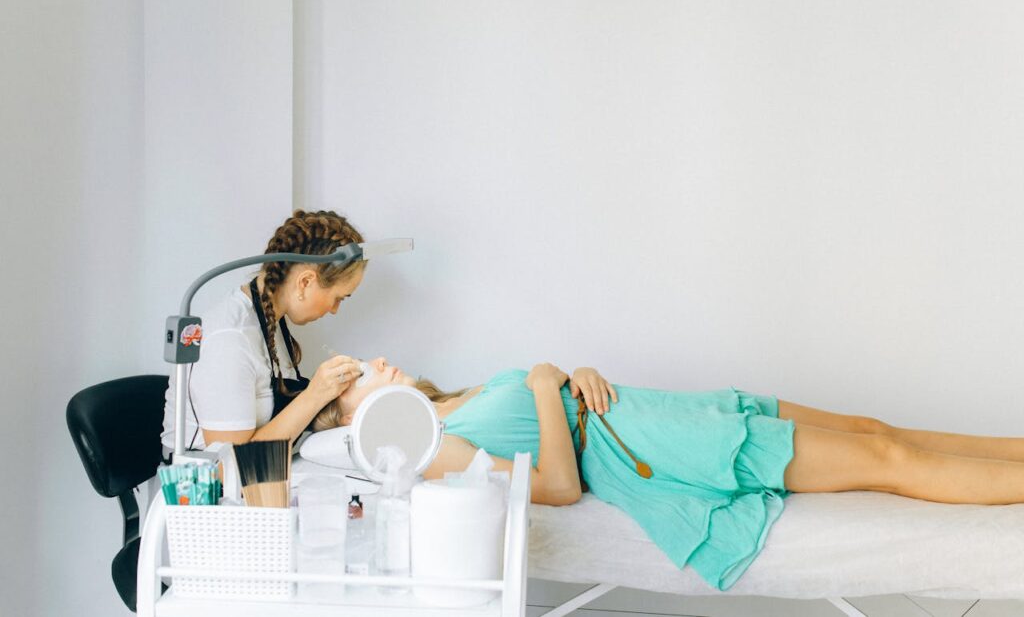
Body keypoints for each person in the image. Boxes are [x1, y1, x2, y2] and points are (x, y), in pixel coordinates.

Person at [314, 357, 1024, 590]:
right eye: (358, 376)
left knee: (876, 431)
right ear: (355, 420)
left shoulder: (450, 401)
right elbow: (559, 485)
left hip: (662, 413)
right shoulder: (435, 448)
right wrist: (541, 383)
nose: (380, 365)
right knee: (886, 463)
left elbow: (558, 395)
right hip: (666, 448)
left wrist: (573, 373)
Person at [160, 209, 367, 452]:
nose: (335, 310)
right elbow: (229, 465)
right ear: (305, 282)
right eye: (339, 298)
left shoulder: (271, 320)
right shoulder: (229, 341)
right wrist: (315, 395)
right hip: (206, 485)